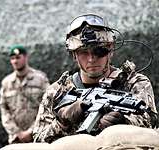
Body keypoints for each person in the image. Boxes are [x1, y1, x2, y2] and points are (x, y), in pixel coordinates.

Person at [32, 14, 158, 143]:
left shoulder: (134, 82)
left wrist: (124, 123)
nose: (91, 59)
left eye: (99, 51)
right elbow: (38, 140)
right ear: (74, 55)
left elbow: (151, 123)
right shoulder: (57, 91)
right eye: (83, 53)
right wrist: (62, 121)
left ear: (111, 50)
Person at [0, 44, 50, 144]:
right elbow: (4, 109)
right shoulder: (7, 83)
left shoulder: (40, 79)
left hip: (37, 135)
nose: (15, 61)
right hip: (16, 139)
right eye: (12, 58)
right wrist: (17, 132)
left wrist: (31, 131)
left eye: (18, 57)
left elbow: (48, 106)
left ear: (26, 57)